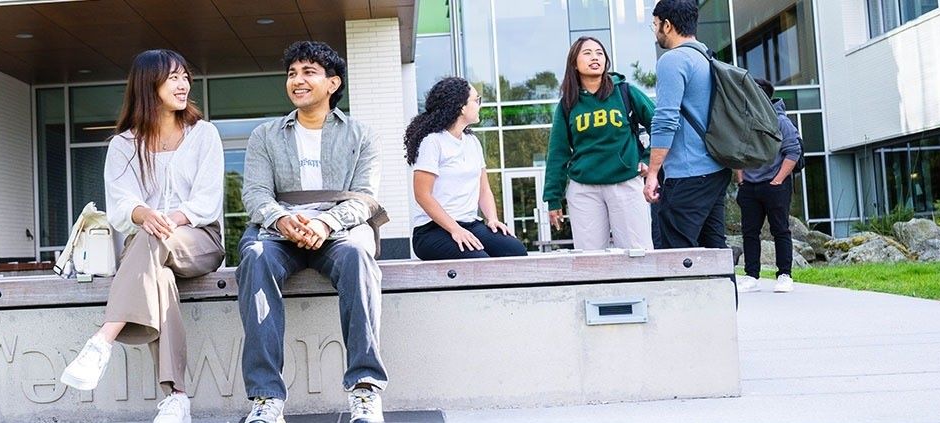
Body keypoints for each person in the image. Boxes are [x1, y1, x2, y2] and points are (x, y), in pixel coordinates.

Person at [58, 49, 225, 423]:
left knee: (154, 238)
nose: (183, 84)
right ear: (149, 85)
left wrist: (166, 220)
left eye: (185, 76)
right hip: (148, 250)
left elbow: (208, 200)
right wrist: (144, 213)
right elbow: (120, 205)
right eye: (173, 78)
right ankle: (176, 397)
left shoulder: (204, 135)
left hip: (198, 239)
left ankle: (102, 340)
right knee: (159, 277)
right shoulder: (123, 145)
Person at [237, 41, 387, 423]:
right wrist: (281, 219)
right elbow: (254, 193)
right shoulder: (265, 135)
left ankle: (365, 390)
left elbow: (365, 197)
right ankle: (266, 399)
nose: (297, 80)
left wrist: (325, 222)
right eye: (292, 73)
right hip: (276, 232)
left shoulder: (361, 134)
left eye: (308, 72)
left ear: (332, 83)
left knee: (357, 256)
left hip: (339, 231)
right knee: (254, 258)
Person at [544, 36, 657, 250]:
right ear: (574, 64)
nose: (595, 57)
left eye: (599, 53)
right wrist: (553, 198)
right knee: (590, 261)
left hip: (626, 183)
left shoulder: (625, 91)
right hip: (584, 189)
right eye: (587, 53)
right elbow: (557, 153)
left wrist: (648, 159)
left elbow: (659, 124)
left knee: (639, 252)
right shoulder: (568, 103)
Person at [644, 0, 733, 255]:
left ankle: (683, 297)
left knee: (677, 256)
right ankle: (724, 296)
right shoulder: (707, 57)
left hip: (688, 175)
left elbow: (665, 119)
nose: (656, 32)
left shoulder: (673, 60)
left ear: (667, 25)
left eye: (655, 25)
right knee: (715, 253)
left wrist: (653, 174)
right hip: (715, 170)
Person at [406, 77, 527, 260]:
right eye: (476, 100)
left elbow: (484, 189)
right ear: (461, 107)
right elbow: (422, 195)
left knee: (515, 250)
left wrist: (492, 219)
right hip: (431, 230)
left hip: (470, 224)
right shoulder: (433, 142)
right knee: (479, 261)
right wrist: (455, 229)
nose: (479, 105)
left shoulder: (472, 142)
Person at [736, 78, 802, 293]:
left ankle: (784, 275)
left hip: (775, 185)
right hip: (750, 186)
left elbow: (793, 151)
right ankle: (751, 276)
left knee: (780, 230)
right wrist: (741, 178)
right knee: (749, 232)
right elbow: (735, 151)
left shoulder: (780, 121)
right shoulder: (743, 120)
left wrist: (778, 179)